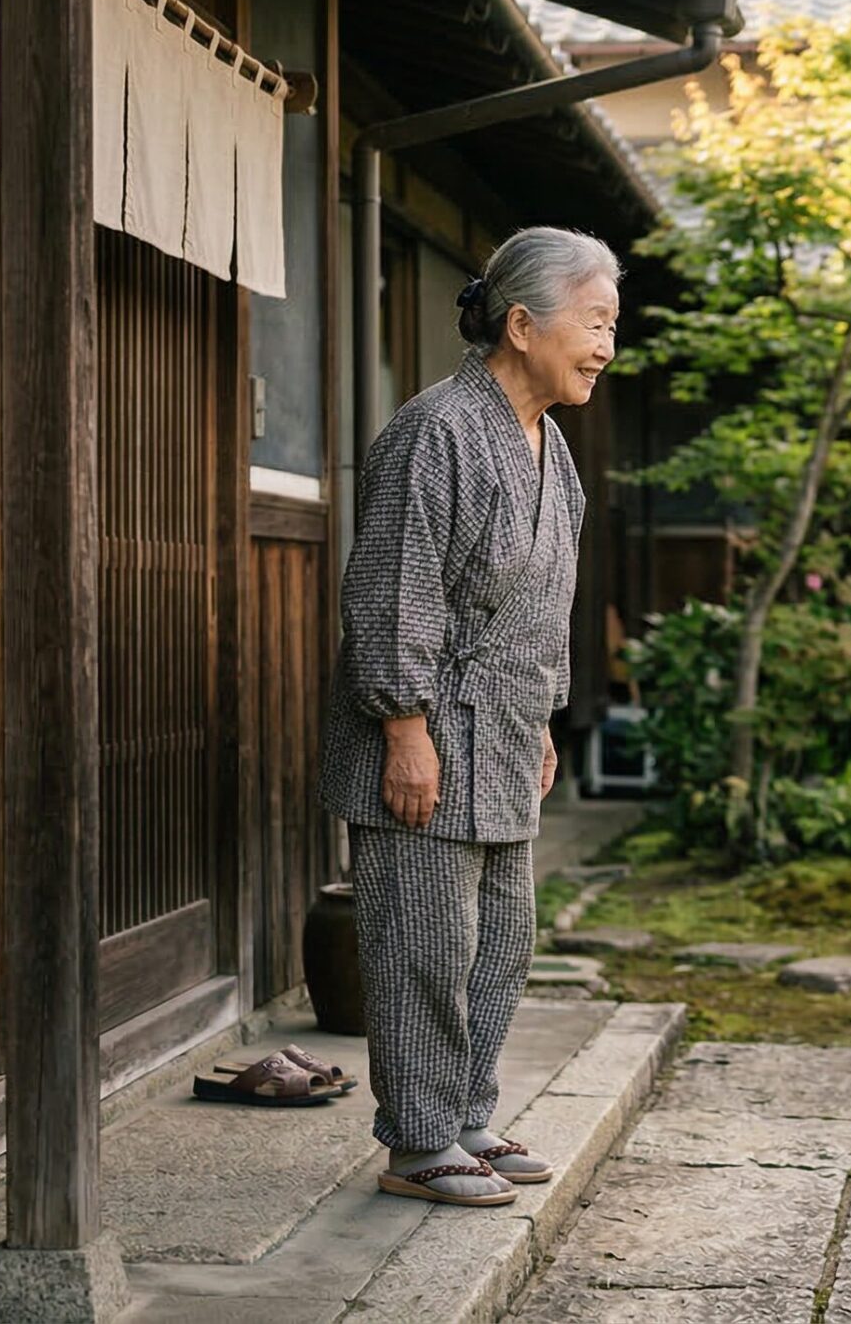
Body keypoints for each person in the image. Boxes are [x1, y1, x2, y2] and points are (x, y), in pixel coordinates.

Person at [320, 227, 619, 1207]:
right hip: (426, 726)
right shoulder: (436, 428)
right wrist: (402, 725)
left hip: (501, 725)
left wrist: (538, 719)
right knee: (421, 943)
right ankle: (417, 1141)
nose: (606, 343)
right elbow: (390, 590)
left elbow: (541, 601)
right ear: (523, 322)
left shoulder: (549, 444)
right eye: (595, 320)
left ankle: (464, 1115)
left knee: (498, 937)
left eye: (612, 324)